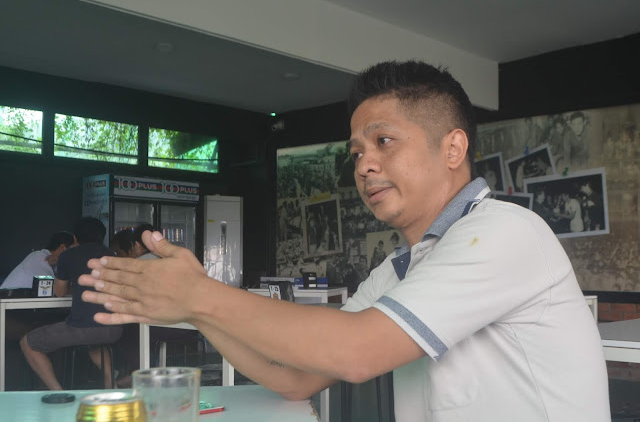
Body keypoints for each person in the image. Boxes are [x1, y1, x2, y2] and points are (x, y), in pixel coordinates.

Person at [79, 60, 609, 421]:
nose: (364, 165)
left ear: (453, 149)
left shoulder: (505, 230)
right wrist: (195, 307)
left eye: (384, 141)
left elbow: (357, 351)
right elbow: (296, 378)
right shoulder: (401, 268)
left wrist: (200, 294)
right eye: (356, 152)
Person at [20, 217, 122, 390]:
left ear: (75, 238)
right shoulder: (113, 256)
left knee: (27, 343)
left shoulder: (68, 255)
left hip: (83, 328)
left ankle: (57, 392)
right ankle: (110, 383)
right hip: (115, 329)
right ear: (103, 236)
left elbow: (59, 292)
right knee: (94, 341)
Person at [1, 231, 76, 290]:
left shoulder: (55, 263)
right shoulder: (39, 257)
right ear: (62, 248)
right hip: (8, 302)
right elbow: (58, 290)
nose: (76, 253)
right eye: (74, 249)